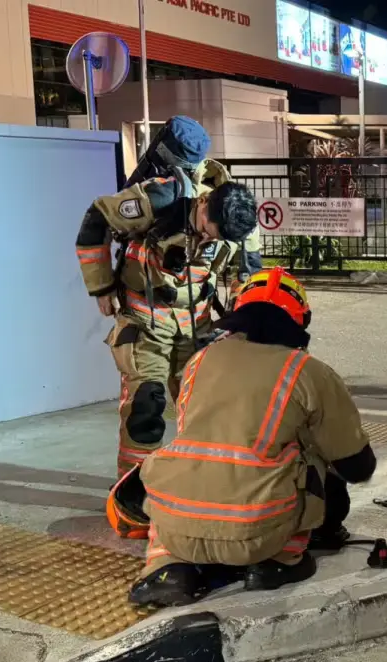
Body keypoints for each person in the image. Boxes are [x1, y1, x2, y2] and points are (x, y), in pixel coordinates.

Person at [128, 267, 377, 607]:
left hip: (178, 527)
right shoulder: (309, 372)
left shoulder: (199, 361)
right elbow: (356, 466)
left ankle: (169, 570)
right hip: (258, 535)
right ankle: (277, 562)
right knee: (314, 454)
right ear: (299, 319)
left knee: (190, 461)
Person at [75, 118, 258, 478]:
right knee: (146, 406)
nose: (206, 242)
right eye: (206, 233)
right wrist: (101, 288)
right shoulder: (161, 196)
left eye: (215, 240)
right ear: (203, 204)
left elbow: (246, 272)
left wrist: (241, 316)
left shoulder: (237, 217)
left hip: (198, 324)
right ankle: (133, 493)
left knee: (207, 408)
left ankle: (199, 485)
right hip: (146, 322)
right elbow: (95, 220)